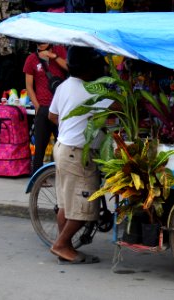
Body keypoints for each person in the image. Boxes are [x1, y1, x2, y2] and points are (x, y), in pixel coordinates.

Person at [48, 46, 112, 264]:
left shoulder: (64, 86)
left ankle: (64, 245)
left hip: (63, 148)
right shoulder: (91, 90)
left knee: (66, 203)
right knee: (85, 206)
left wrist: (73, 125)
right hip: (77, 154)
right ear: (88, 68)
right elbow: (118, 109)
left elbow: (52, 115)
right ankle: (61, 245)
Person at [23, 42, 68, 174]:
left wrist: (53, 56)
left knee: (64, 144)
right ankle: (37, 178)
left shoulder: (59, 50)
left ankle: (65, 174)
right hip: (43, 107)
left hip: (60, 108)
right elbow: (29, 86)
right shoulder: (31, 59)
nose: (40, 43)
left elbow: (69, 68)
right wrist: (37, 106)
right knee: (40, 146)